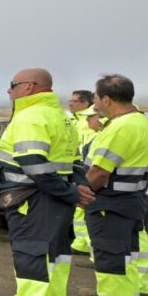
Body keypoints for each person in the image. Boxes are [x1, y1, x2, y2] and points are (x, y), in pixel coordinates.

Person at [0, 69, 83, 296]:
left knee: (33, 273)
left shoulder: (31, 116)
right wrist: (72, 192)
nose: (9, 91)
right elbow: (75, 162)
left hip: (34, 204)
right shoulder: (63, 117)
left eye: (13, 85)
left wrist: (69, 193)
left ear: (29, 87)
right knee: (54, 273)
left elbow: (35, 165)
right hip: (54, 206)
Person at [78, 74, 148, 296]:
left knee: (112, 264)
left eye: (96, 99)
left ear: (107, 99)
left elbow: (99, 172)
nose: (95, 104)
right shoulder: (140, 121)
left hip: (110, 204)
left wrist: (79, 195)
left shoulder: (121, 127)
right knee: (125, 261)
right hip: (128, 201)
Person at [67, 90, 98, 255]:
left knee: (88, 209)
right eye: (70, 100)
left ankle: (94, 250)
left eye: (74, 101)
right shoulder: (70, 119)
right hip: (77, 168)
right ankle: (80, 243)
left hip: (89, 168)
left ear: (85, 103)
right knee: (79, 210)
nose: (70, 104)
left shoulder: (93, 119)